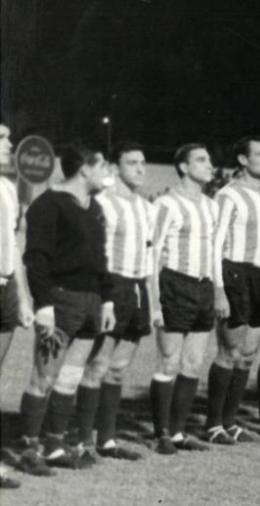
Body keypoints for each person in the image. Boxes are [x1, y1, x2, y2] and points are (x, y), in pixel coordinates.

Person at [19, 143, 115, 473]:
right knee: (43, 377)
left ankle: (54, 446)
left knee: (70, 378)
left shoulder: (95, 207)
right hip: (60, 300)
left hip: (90, 302)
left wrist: (108, 299)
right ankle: (29, 450)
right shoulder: (49, 205)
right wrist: (43, 305)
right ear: (85, 168)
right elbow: (36, 259)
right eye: (103, 165)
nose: (107, 173)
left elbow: (102, 259)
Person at [74, 142, 155, 462]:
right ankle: (82, 439)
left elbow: (151, 258)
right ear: (116, 167)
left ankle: (106, 439)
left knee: (119, 368)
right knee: (97, 364)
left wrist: (154, 302)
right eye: (132, 162)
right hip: (111, 287)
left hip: (137, 289)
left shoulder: (147, 207)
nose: (140, 168)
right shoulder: (104, 203)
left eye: (143, 162)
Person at [206, 137, 260, 441]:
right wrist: (219, 290)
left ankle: (230, 420)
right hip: (234, 274)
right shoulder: (228, 196)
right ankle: (213, 424)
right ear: (243, 160)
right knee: (230, 351)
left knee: (248, 355)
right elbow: (214, 245)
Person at [149, 143, 219, 452]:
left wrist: (218, 290)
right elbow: (152, 254)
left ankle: (178, 432)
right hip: (174, 285)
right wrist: (154, 302)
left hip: (203, 288)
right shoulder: (166, 204)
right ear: (183, 167)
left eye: (209, 160)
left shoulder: (210, 205)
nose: (210, 165)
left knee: (193, 362)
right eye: (201, 160)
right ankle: (162, 432)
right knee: (170, 360)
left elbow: (215, 252)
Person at [0, 124, 34, 488]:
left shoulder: (8, 188)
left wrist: (22, 296)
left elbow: (14, 246)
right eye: (1, 138)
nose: (10, 144)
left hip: (6, 287)